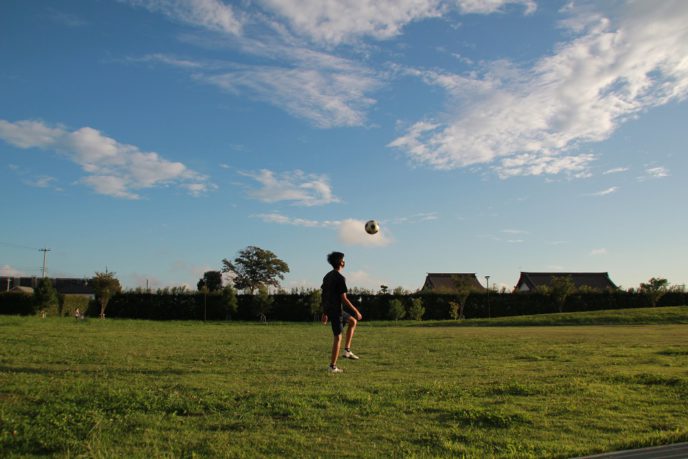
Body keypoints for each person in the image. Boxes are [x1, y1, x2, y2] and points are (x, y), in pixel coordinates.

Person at [321, 251, 363, 373]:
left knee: (352, 322)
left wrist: (324, 312)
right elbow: (343, 298)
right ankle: (332, 367)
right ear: (341, 262)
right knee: (338, 337)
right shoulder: (339, 278)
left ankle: (347, 351)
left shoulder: (327, 276)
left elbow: (324, 295)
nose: (344, 261)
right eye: (343, 259)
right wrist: (356, 311)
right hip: (335, 312)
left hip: (334, 310)